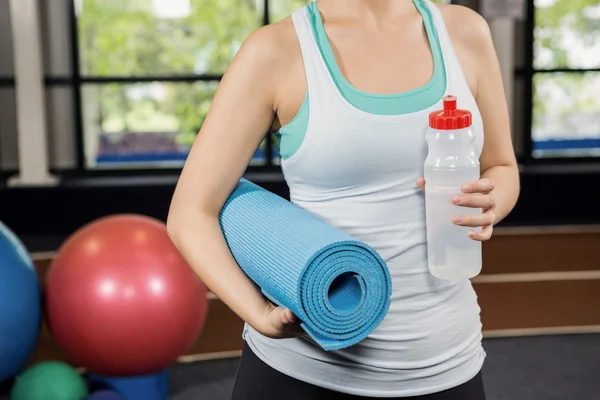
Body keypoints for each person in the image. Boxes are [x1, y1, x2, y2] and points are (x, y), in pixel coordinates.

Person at [167, 0, 520, 398]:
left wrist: (492, 201)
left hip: (447, 360)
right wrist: (259, 313)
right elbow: (190, 212)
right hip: (306, 369)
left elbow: (502, 167)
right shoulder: (276, 50)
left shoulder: (464, 30)